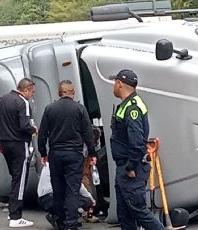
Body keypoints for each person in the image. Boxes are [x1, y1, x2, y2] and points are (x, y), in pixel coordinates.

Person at [109, 69, 164, 230]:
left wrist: (131, 167)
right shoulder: (126, 105)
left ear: (119, 83)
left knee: (140, 212)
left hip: (131, 169)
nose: (114, 86)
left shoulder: (132, 108)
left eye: (115, 82)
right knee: (125, 215)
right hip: (124, 167)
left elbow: (136, 142)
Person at [38, 80, 97, 230]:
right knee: (72, 190)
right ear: (73, 92)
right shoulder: (80, 109)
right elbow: (88, 134)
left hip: (55, 154)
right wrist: (92, 153)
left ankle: (60, 221)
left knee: (58, 190)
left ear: (59, 93)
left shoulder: (49, 109)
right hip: (74, 155)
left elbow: (42, 133)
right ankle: (71, 224)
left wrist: (43, 153)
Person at [0, 78, 37, 228]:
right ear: (26, 90)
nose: (32, 95)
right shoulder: (22, 102)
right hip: (19, 143)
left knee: (15, 176)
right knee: (20, 179)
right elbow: (25, 125)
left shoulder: (2, 100)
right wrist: (34, 130)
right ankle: (15, 217)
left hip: (5, 143)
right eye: (32, 92)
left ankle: (13, 209)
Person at [37, 163, 99, 229]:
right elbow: (78, 184)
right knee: (86, 201)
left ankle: (58, 218)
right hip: (53, 198)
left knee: (69, 198)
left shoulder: (49, 164)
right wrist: (91, 199)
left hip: (42, 198)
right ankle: (66, 219)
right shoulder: (66, 165)